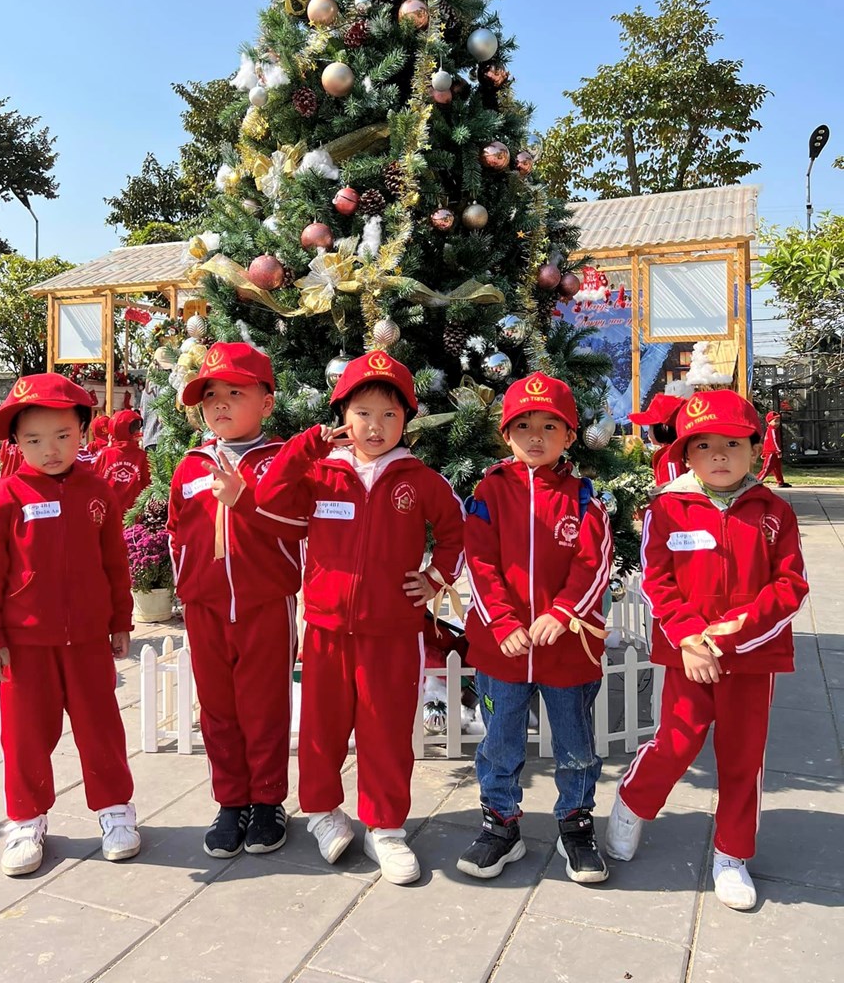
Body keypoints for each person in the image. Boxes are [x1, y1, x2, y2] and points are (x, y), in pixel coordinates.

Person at [255, 351, 465, 886]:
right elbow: (268, 500)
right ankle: (323, 813)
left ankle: (386, 828)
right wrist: (306, 446)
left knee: (386, 732)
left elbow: (457, 531)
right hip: (326, 629)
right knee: (321, 729)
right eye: (363, 413)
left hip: (393, 633)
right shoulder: (322, 474)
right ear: (342, 416)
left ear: (406, 420)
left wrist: (436, 577)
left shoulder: (419, 479)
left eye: (389, 415)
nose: (375, 426)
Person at [606, 390, 808, 910]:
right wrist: (691, 639)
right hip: (687, 656)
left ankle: (732, 853)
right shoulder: (667, 509)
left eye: (732, 444)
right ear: (686, 454)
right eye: (704, 445)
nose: (719, 455)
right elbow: (657, 580)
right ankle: (632, 803)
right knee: (676, 743)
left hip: (750, 658)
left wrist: (731, 636)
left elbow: (790, 586)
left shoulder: (774, 512)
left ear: (755, 449)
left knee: (743, 756)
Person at [0, 374, 140, 878]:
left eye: (63, 435)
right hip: (24, 646)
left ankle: (116, 810)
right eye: (34, 440)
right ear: (15, 443)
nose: (50, 450)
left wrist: (120, 620)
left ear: (83, 432)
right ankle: (26, 820)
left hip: (87, 640)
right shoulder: (5, 496)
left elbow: (115, 562)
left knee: (101, 728)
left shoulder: (97, 491)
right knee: (24, 736)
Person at [456, 373, 614, 885]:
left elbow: (594, 563)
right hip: (502, 651)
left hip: (566, 651)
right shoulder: (489, 491)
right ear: (506, 434)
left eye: (550, 426)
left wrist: (562, 612)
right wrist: (502, 622)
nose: (536, 437)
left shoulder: (584, 497)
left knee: (575, 746)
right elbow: (478, 560)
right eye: (523, 425)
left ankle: (576, 824)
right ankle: (500, 825)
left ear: (570, 435)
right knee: (499, 745)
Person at [167, 342, 303, 859]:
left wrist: (245, 499)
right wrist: (186, 588)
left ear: (266, 403)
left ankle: (267, 800)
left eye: (234, 392)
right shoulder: (191, 465)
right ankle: (231, 802)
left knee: (264, 706)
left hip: (264, 604)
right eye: (210, 395)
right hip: (204, 607)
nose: (219, 403)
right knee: (217, 709)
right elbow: (177, 530)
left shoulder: (282, 460)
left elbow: (299, 525)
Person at [96, 410, 151, 513]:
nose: (138, 432)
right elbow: (147, 485)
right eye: (135, 428)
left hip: (110, 514)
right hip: (132, 517)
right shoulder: (142, 456)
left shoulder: (105, 454)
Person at [628, 393, 684, 487]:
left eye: (650, 426)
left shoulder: (671, 458)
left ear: (662, 429)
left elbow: (673, 489)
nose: (648, 431)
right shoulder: (673, 452)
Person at [757, 410, 790, 488]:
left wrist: (764, 452)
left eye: (778, 421)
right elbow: (773, 441)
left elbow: (766, 441)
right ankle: (757, 481)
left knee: (777, 468)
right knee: (767, 468)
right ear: (769, 422)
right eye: (775, 421)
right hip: (771, 452)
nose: (777, 423)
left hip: (773, 452)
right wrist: (778, 451)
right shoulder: (772, 430)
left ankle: (780, 482)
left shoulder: (773, 430)